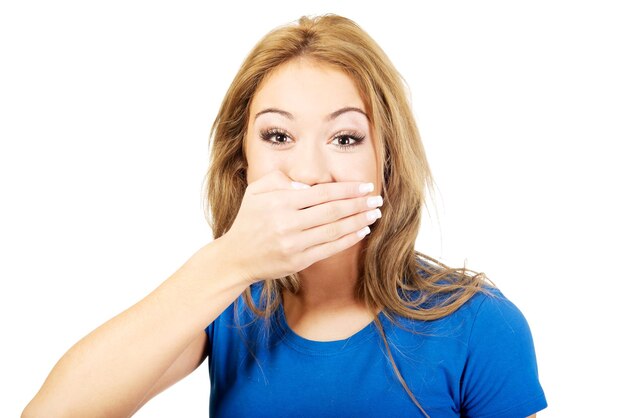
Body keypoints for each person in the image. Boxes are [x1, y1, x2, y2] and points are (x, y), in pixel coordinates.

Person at [22, 13, 547, 418]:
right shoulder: (227, 311)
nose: (309, 172)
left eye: (345, 138)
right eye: (278, 136)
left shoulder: (480, 324)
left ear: (386, 162)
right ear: (242, 160)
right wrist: (230, 262)